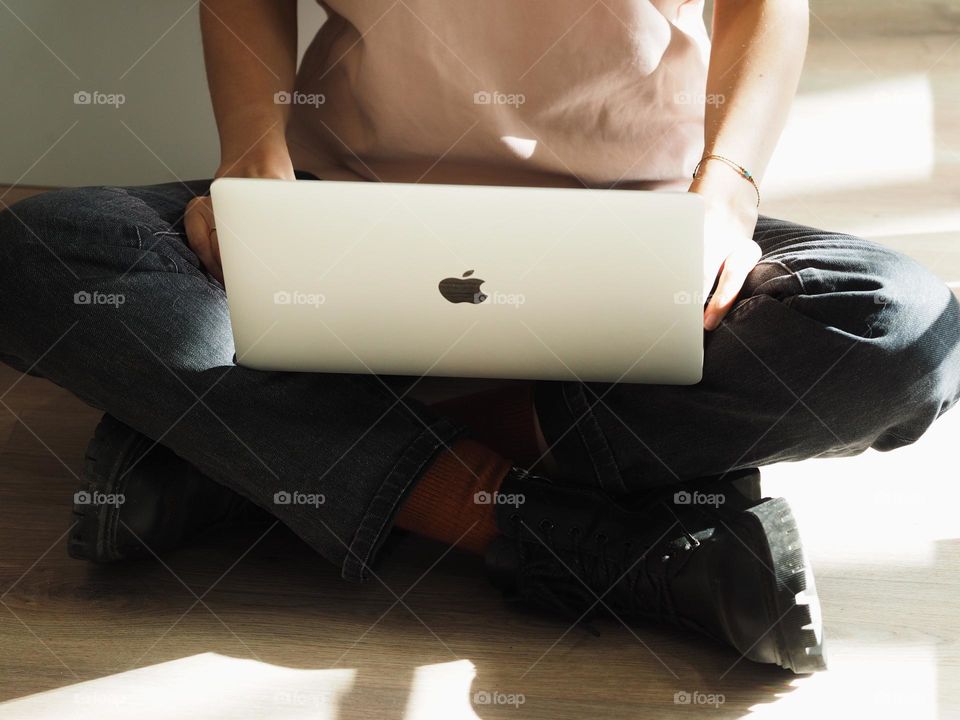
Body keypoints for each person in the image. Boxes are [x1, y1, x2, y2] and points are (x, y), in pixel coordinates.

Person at [1, 0, 958, 675]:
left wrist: (728, 193)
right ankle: (572, 536)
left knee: (904, 334)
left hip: (641, 222)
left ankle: (256, 458)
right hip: (345, 210)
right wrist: (252, 166)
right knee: (38, 255)